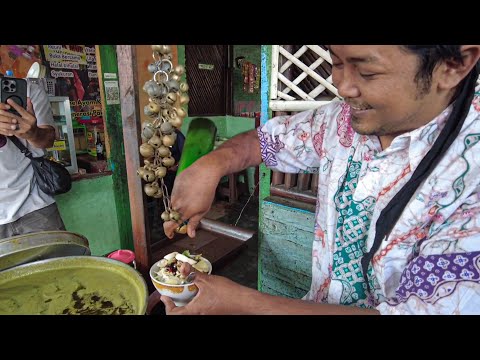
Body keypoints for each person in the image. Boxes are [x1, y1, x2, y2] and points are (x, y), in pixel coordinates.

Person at [161, 45, 480, 315]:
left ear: (455, 65)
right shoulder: (340, 120)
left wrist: (245, 302)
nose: (342, 86)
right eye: (336, 62)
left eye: (367, 72)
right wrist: (210, 166)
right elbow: (262, 143)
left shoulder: (470, 176)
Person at [0, 76, 66, 239]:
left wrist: (33, 133)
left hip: (35, 207)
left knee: (59, 263)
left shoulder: (28, 90)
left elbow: (48, 140)